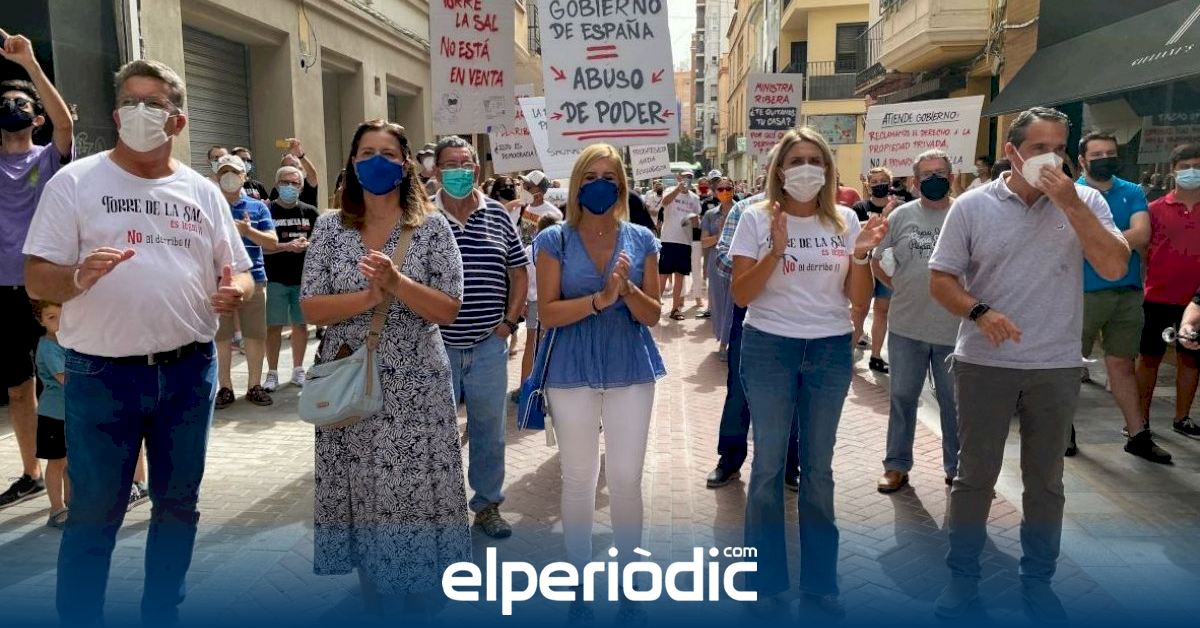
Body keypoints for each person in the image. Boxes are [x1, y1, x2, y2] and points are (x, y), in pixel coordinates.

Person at [23, 59, 254, 625]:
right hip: (101, 376)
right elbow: (36, 278)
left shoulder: (201, 191)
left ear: (178, 121)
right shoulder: (74, 182)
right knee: (94, 514)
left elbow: (240, 271)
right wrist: (78, 277)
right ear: (114, 114)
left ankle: (161, 613)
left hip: (188, 373)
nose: (139, 112)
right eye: (130, 101)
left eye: (153, 103)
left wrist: (237, 293)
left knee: (178, 507)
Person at [928, 107, 1130, 622]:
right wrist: (979, 312)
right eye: (1039, 148)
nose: (1051, 158)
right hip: (984, 364)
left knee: (1045, 482)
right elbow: (942, 279)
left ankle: (1038, 581)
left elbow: (1113, 265)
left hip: (1055, 365)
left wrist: (1071, 203)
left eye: (1059, 148)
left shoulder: (1086, 200)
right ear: (1012, 152)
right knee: (974, 476)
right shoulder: (972, 206)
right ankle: (962, 578)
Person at [300, 119, 470, 616]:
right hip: (349, 376)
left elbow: (449, 308)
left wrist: (397, 284)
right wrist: (366, 298)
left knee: (413, 484)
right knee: (361, 484)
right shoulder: (330, 227)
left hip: (416, 380)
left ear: (406, 164)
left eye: (389, 153)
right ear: (353, 163)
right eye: (367, 152)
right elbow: (311, 306)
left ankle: (420, 582)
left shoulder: (431, 226)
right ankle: (374, 577)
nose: (378, 161)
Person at [730, 128, 885, 618]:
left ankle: (820, 582)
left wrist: (860, 254)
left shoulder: (845, 220)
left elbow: (857, 299)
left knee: (819, 470)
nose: (806, 168)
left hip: (828, 349)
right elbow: (741, 295)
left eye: (815, 160)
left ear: (828, 169)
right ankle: (762, 580)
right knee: (768, 466)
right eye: (796, 159)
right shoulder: (756, 218)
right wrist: (775, 251)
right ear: (779, 169)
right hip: (768, 347)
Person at [534, 144, 664, 617]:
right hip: (571, 371)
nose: (599, 185)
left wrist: (625, 291)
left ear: (622, 186)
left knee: (626, 479)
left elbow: (653, 314)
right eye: (589, 177)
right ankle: (578, 580)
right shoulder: (553, 240)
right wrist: (598, 300)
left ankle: (631, 582)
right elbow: (548, 313)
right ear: (575, 185)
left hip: (630, 368)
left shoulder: (642, 239)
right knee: (578, 478)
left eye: (609, 177)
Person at [433, 136, 528, 538]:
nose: (459, 170)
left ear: (477, 169)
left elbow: (519, 272)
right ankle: (439, 511)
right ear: (436, 171)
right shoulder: (422, 216)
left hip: (489, 344)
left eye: (465, 163)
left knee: (489, 431)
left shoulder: (498, 215)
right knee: (435, 433)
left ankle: (487, 506)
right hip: (434, 347)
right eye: (450, 164)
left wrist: (508, 323)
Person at [0, 29, 74, 510]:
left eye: (21, 102)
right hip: (3, 291)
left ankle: (81, 469)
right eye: (4, 102)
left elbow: (66, 125)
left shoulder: (49, 159)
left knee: (68, 378)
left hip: (46, 286)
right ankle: (30, 473)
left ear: (37, 117)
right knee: (18, 388)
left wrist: (29, 63)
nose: (12, 107)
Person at [1068, 132, 1170, 462]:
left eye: (1110, 153)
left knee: (1123, 365)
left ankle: (1138, 434)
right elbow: (1069, 243)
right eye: (1096, 154)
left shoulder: (1132, 191)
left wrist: (1098, 243)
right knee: (1068, 366)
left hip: (1127, 292)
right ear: (1082, 160)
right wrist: (1114, 243)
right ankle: (1063, 430)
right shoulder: (1070, 195)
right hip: (1082, 292)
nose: (1105, 159)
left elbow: (1143, 234)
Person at [872, 150, 962, 493]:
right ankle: (896, 465)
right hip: (907, 326)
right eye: (926, 174)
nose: (934, 179)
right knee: (902, 397)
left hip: (954, 329)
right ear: (914, 181)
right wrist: (901, 286)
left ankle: (956, 468)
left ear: (951, 177)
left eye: (940, 172)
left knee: (954, 403)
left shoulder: (965, 212)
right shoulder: (901, 216)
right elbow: (877, 260)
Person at [1136, 143, 1200, 440]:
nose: (1191, 172)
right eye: (1185, 167)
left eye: (1197, 166)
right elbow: (1144, 250)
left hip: (1196, 302)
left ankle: (1182, 417)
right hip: (1158, 297)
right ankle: (1138, 419)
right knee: (1149, 358)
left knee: (1191, 358)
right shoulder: (1154, 210)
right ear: (1173, 171)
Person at [213, 154, 278, 408]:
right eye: (223, 172)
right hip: (218, 282)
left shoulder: (258, 207)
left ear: (244, 176)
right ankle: (225, 387)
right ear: (216, 176)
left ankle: (254, 386)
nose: (228, 177)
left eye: (234, 172)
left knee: (255, 335)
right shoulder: (209, 205)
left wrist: (249, 231)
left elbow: (272, 242)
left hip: (254, 279)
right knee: (221, 337)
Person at [262, 165, 319, 392]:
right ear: (277, 185)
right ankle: (272, 373)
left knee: (301, 325)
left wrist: (307, 245)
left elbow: (321, 242)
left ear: (301, 187)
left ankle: (298, 369)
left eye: (295, 183)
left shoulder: (310, 212)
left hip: (302, 279)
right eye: (285, 182)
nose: (290, 186)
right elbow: (260, 246)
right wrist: (286, 246)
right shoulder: (267, 211)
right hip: (275, 278)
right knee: (273, 326)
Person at [851, 166, 897, 373]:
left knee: (882, 311)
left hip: (887, 267)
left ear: (890, 183)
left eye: (883, 181)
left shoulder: (899, 207)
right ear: (868, 186)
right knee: (859, 310)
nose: (879, 185)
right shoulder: (859, 207)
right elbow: (852, 233)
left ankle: (876, 356)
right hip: (863, 267)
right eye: (875, 182)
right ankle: (848, 353)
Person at [32, 301, 68, 527]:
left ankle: (71, 506)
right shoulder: (47, 347)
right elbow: (65, 379)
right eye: (51, 317)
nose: (58, 322)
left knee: (72, 463)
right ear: (41, 320)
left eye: (62, 316)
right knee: (57, 462)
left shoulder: (69, 342)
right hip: (53, 416)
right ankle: (56, 509)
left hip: (71, 414)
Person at [518, 214, 561, 391]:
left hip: (533, 301)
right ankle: (544, 386)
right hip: (552, 302)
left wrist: (522, 302)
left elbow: (523, 279)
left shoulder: (530, 249)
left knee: (531, 345)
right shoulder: (559, 249)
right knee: (550, 346)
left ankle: (524, 388)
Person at [701, 177, 737, 357]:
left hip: (737, 261)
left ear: (733, 190)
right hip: (716, 261)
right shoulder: (710, 215)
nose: (724, 192)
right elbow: (704, 242)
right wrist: (720, 234)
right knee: (718, 301)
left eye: (728, 188)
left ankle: (728, 341)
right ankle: (722, 339)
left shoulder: (743, 211)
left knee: (733, 301)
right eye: (720, 189)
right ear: (715, 192)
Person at [659, 171, 701, 320]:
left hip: (685, 241)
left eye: (690, 177)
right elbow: (664, 202)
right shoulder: (670, 190)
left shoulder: (695, 198)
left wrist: (694, 220)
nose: (687, 179)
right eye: (685, 177)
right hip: (669, 239)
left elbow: (697, 220)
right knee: (663, 275)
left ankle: (675, 309)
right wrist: (678, 189)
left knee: (679, 277)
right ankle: (654, 306)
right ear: (679, 178)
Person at [515, 169, 564, 246]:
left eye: (528, 187)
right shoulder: (524, 208)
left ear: (540, 191)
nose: (523, 189)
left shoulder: (554, 214)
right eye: (523, 185)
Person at [269, 137, 320, 206]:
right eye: (286, 167)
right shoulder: (277, 189)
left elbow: (312, 174)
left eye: (293, 166)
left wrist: (300, 155)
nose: (289, 170)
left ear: (300, 169)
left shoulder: (307, 184)